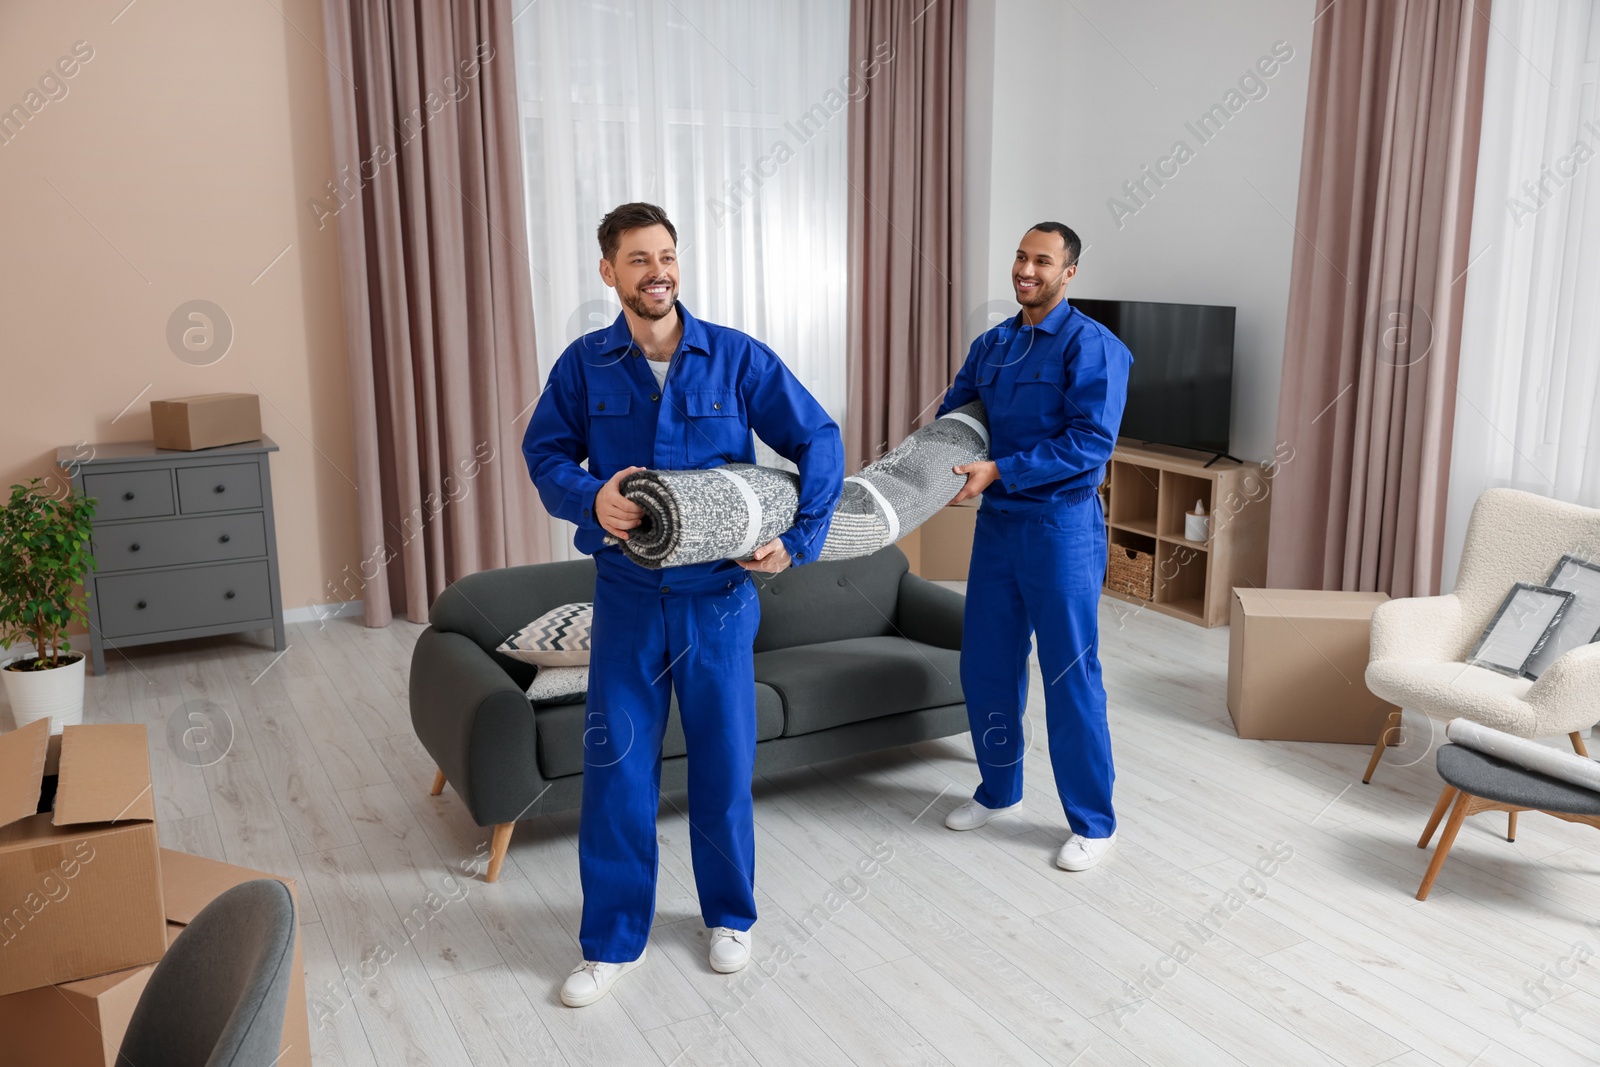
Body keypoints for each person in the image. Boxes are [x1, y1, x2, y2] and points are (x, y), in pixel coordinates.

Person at [522, 202, 844, 1007]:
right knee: (619, 768)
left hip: (721, 602)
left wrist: (799, 536)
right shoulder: (584, 365)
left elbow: (820, 438)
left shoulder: (734, 357)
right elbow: (544, 452)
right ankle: (612, 940)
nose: (657, 270)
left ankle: (729, 916)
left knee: (725, 765)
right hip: (629, 600)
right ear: (609, 271)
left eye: (666, 255)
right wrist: (590, 496)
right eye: (638, 259)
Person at [935, 221, 1131, 872]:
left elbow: (1089, 443)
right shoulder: (992, 345)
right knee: (986, 665)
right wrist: (932, 471)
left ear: (1069, 272)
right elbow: (959, 420)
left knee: (1070, 675)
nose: (1026, 268)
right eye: (1021, 256)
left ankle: (1094, 823)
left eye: (1042, 260)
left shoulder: (1094, 348)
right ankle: (999, 791)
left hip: (1061, 527)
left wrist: (1003, 469)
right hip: (998, 526)